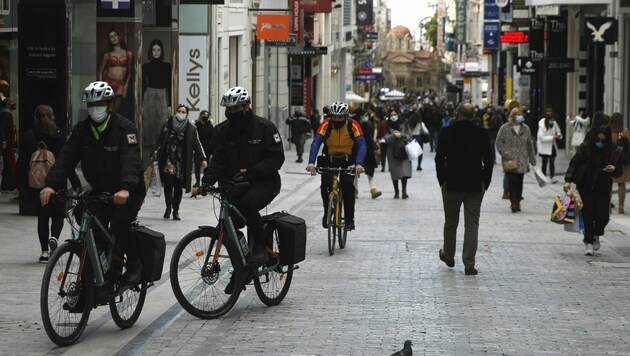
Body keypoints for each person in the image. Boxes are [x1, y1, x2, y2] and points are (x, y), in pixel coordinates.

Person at [40, 81, 145, 287]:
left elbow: (130, 161)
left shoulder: (125, 128)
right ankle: (97, 273)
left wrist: (125, 188)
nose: (94, 108)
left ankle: (134, 264)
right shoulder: (82, 130)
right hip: (100, 190)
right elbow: (66, 158)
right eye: (90, 104)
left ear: (110, 105)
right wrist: (50, 184)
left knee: (119, 223)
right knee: (83, 216)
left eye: (99, 103)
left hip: (128, 190)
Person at [199, 86, 285, 273]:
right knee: (231, 226)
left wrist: (254, 172)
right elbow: (219, 160)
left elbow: (277, 158)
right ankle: (243, 270)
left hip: (265, 182)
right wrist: (207, 181)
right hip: (236, 184)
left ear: (247, 107)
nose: (232, 113)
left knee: (248, 203)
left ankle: (261, 249)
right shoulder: (222, 131)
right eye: (229, 110)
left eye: (236, 109)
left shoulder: (264, 128)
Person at [12, 105, 82, 262]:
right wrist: (76, 185)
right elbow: (67, 163)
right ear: (52, 116)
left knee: (42, 217)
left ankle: (44, 251)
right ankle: (55, 238)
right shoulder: (60, 136)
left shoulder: (29, 136)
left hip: (38, 183)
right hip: (58, 181)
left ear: (35, 118)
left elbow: (22, 162)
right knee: (58, 214)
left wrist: (18, 184)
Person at [436, 102, 493, 275]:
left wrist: (442, 180)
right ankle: (469, 263)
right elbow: (489, 160)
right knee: (472, 224)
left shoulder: (447, 132)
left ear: (457, 114)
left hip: (452, 185)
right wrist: (485, 182)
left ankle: (448, 255)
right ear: (473, 116)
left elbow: (439, 159)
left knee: (451, 223)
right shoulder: (482, 133)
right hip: (475, 185)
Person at [306, 101, 366, 231]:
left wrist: (359, 164)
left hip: (348, 159)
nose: (337, 119)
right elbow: (316, 142)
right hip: (329, 159)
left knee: (348, 187)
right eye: (334, 117)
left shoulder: (353, 124)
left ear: (345, 116)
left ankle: (349, 220)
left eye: (340, 117)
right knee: (325, 186)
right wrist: (311, 162)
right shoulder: (326, 124)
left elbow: (362, 144)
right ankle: (328, 211)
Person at [564, 125, 622, 255]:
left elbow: (618, 171)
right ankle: (589, 242)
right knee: (588, 215)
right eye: (598, 140)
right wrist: (568, 180)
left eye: (603, 141)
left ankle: (596, 233)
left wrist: (614, 169)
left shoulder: (611, 151)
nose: (600, 143)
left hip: (603, 188)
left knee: (603, 217)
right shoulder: (585, 148)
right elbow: (574, 163)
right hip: (585, 187)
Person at [153, 104, 207, 220]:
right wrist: (154, 151)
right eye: (179, 111)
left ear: (187, 114)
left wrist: (203, 158)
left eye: (183, 112)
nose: (181, 113)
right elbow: (160, 139)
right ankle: (168, 208)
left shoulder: (191, 128)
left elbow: (197, 144)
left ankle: (175, 210)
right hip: (169, 160)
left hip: (182, 162)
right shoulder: (168, 124)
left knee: (178, 188)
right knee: (168, 184)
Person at [496, 107, 537, 213]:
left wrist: (532, 159)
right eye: (517, 114)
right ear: (512, 115)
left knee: (519, 182)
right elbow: (499, 143)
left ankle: (518, 201)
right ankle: (513, 202)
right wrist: (506, 154)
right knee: (512, 181)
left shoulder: (526, 128)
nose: (520, 116)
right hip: (510, 160)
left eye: (521, 114)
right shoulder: (505, 128)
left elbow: (529, 145)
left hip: (522, 159)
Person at [142, 39, 172, 158]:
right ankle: (149, 152)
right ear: (151, 51)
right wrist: (141, 104)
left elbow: (169, 85)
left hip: (162, 95)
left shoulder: (167, 66)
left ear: (161, 51)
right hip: (149, 95)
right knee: (148, 121)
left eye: (158, 49)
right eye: (154, 49)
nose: (156, 52)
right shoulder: (146, 66)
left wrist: (170, 104)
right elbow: (143, 85)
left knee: (161, 121)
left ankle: (161, 147)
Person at [99, 29, 133, 113]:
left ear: (119, 37)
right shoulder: (107, 55)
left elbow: (129, 72)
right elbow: (100, 71)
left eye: (115, 35)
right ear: (109, 40)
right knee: (108, 109)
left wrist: (126, 86)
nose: (114, 38)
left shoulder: (128, 54)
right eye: (111, 37)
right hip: (109, 83)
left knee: (114, 111)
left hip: (120, 84)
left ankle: (112, 125)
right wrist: (101, 86)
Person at [384, 109, 413, 199]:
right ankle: (396, 192)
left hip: (403, 150)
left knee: (404, 172)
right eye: (391, 115)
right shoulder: (387, 126)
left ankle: (404, 192)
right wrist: (393, 135)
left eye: (395, 114)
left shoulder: (404, 124)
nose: (393, 116)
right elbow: (386, 139)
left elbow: (410, 137)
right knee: (395, 173)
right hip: (392, 152)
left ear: (398, 114)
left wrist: (401, 135)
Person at [354, 107, 381, 199]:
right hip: (356, 151)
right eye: (365, 115)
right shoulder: (354, 125)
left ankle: (373, 189)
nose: (366, 117)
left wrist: (372, 147)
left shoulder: (366, 125)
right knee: (354, 171)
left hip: (367, 151)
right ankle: (354, 190)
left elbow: (369, 139)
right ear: (360, 116)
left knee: (370, 170)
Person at [609, 113, 630, 214]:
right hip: (623, 161)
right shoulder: (624, 131)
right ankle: (621, 206)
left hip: (611, 160)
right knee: (622, 184)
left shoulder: (608, 130)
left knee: (608, 183)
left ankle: (607, 205)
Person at [537, 112, 562, 182]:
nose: (552, 121)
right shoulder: (542, 126)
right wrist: (553, 137)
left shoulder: (554, 123)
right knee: (544, 162)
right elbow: (541, 138)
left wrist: (559, 134)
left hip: (552, 146)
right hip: (544, 147)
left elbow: (558, 131)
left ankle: (552, 177)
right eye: (551, 119)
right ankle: (543, 177)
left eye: (553, 119)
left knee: (552, 162)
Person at [0, 97, 16, 191]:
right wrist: (4, 141)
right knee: (9, 162)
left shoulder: (5, 112)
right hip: (8, 142)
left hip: (8, 142)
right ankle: (9, 184)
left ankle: (7, 184)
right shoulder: (6, 113)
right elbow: (3, 129)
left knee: (8, 163)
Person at [193, 110, 213, 188]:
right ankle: (197, 181)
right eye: (203, 115)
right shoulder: (196, 125)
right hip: (198, 149)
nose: (205, 116)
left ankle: (205, 183)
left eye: (206, 115)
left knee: (206, 167)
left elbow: (212, 137)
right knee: (197, 166)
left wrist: (211, 147)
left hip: (207, 149)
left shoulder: (210, 126)